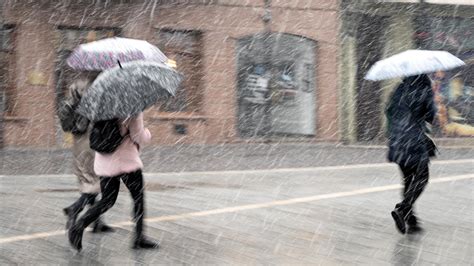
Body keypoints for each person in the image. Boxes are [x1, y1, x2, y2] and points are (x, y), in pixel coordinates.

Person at [68, 112, 158, 251]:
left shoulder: (101, 108)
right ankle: (139, 238)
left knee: (107, 200)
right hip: (127, 161)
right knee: (138, 199)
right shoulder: (132, 108)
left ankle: (80, 225)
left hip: (105, 160)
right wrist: (147, 133)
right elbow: (138, 136)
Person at [58, 73, 113, 233]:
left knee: (88, 178)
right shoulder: (98, 87)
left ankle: (97, 221)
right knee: (96, 180)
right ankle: (74, 209)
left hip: (78, 139)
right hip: (92, 137)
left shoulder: (76, 85)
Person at [385, 74, 437, 234]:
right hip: (413, 140)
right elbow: (431, 116)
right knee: (422, 178)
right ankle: (403, 209)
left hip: (397, 140)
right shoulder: (423, 89)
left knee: (408, 180)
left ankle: (411, 220)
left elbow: (388, 110)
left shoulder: (399, 88)